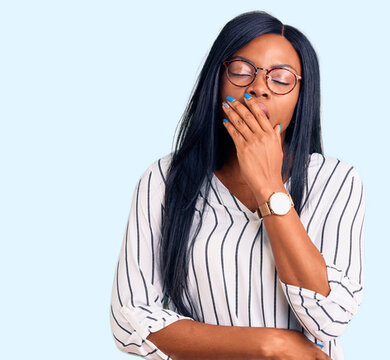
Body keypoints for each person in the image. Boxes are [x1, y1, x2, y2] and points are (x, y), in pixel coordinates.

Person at [109, 10, 366, 360]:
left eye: (281, 78)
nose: (258, 87)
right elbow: (131, 319)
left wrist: (269, 187)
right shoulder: (164, 180)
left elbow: (329, 318)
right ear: (217, 80)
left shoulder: (337, 181)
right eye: (242, 71)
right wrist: (271, 346)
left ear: (301, 96)